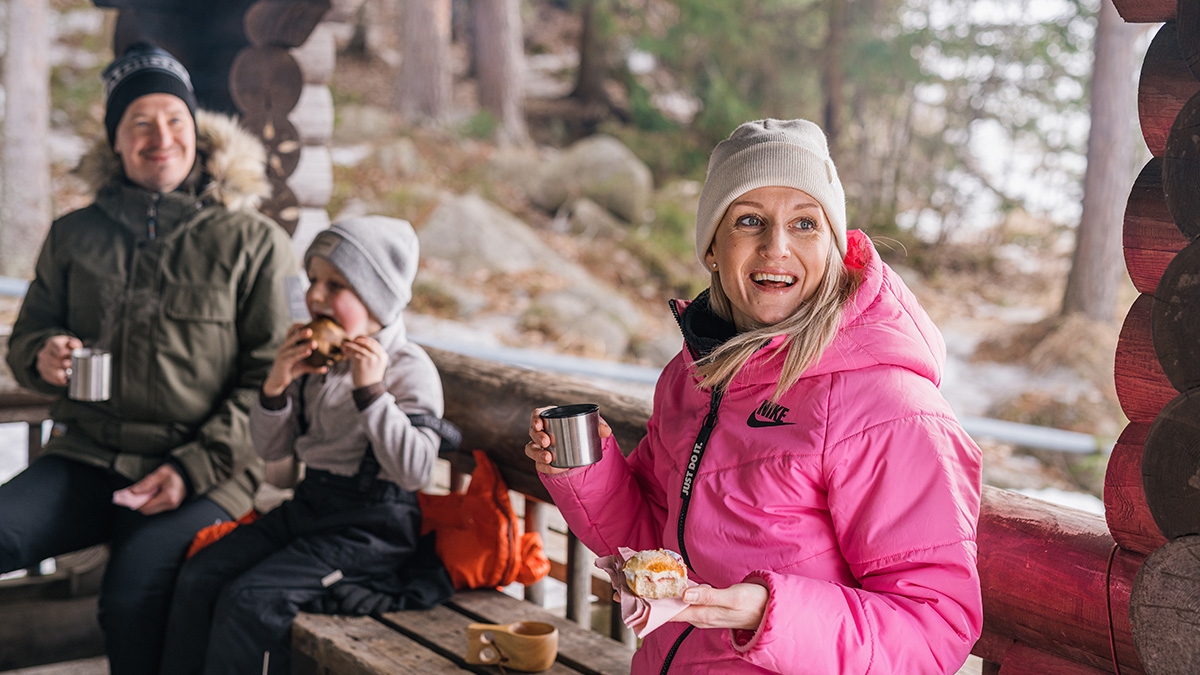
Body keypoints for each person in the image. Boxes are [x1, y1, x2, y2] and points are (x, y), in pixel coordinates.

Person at [525, 119, 983, 674]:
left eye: (806, 224)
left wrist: (770, 613)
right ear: (713, 249)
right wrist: (587, 474)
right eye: (749, 220)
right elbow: (655, 545)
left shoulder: (889, 406)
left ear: (834, 247)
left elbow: (933, 628)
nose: (776, 247)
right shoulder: (694, 377)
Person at [0, 43, 296, 674]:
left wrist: (190, 468)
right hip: (88, 455)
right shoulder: (75, 235)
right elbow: (28, 336)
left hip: (204, 472)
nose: (160, 137)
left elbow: (265, 384)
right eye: (140, 122)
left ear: (198, 134)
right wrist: (42, 355)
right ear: (117, 140)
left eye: (174, 121)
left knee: (131, 599)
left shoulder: (252, 243)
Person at [159, 216, 455, 675]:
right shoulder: (320, 360)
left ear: (377, 296)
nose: (314, 295)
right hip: (311, 507)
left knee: (251, 601)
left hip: (372, 528)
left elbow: (415, 471)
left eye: (335, 284)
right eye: (313, 279)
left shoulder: (406, 368)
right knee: (201, 574)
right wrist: (277, 386)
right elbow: (273, 455)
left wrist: (372, 394)